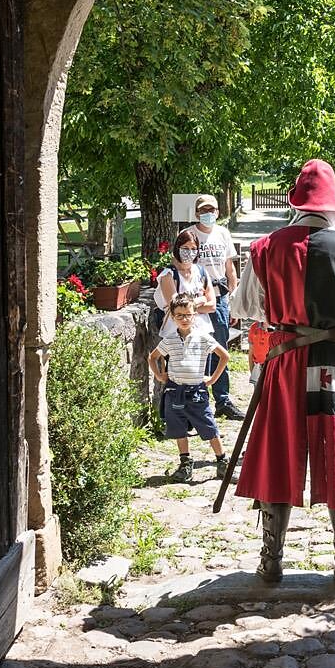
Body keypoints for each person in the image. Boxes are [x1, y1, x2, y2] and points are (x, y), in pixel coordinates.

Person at [230, 159, 335, 586]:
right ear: (334, 206)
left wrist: (284, 312)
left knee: (279, 451)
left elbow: (245, 307)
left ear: (297, 203)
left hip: (284, 363)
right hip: (334, 366)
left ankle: (271, 561)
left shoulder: (266, 248)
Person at [149, 294, 232, 483]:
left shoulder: (203, 338)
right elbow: (152, 357)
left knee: (209, 427)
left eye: (188, 314)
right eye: (179, 315)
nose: (184, 319)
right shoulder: (169, 340)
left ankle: (222, 462)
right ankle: (185, 463)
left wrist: (212, 379)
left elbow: (224, 356)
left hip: (196, 393)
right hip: (174, 392)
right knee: (178, 429)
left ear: (195, 315)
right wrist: (159, 375)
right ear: (172, 317)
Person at [187, 195, 245, 420]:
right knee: (196, 348)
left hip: (219, 298)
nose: (207, 214)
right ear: (196, 213)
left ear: (218, 212)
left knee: (220, 347)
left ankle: (223, 399)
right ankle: (197, 399)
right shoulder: (190, 235)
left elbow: (230, 267)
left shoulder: (223, 233)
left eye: (211, 210)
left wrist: (233, 296)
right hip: (197, 299)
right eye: (203, 210)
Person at [154, 230, 215, 337]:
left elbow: (212, 306)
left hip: (202, 333)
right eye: (185, 248)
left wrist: (186, 308)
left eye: (193, 249)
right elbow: (175, 307)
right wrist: (201, 299)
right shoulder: (168, 275)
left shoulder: (202, 272)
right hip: (176, 335)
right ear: (178, 248)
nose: (190, 252)